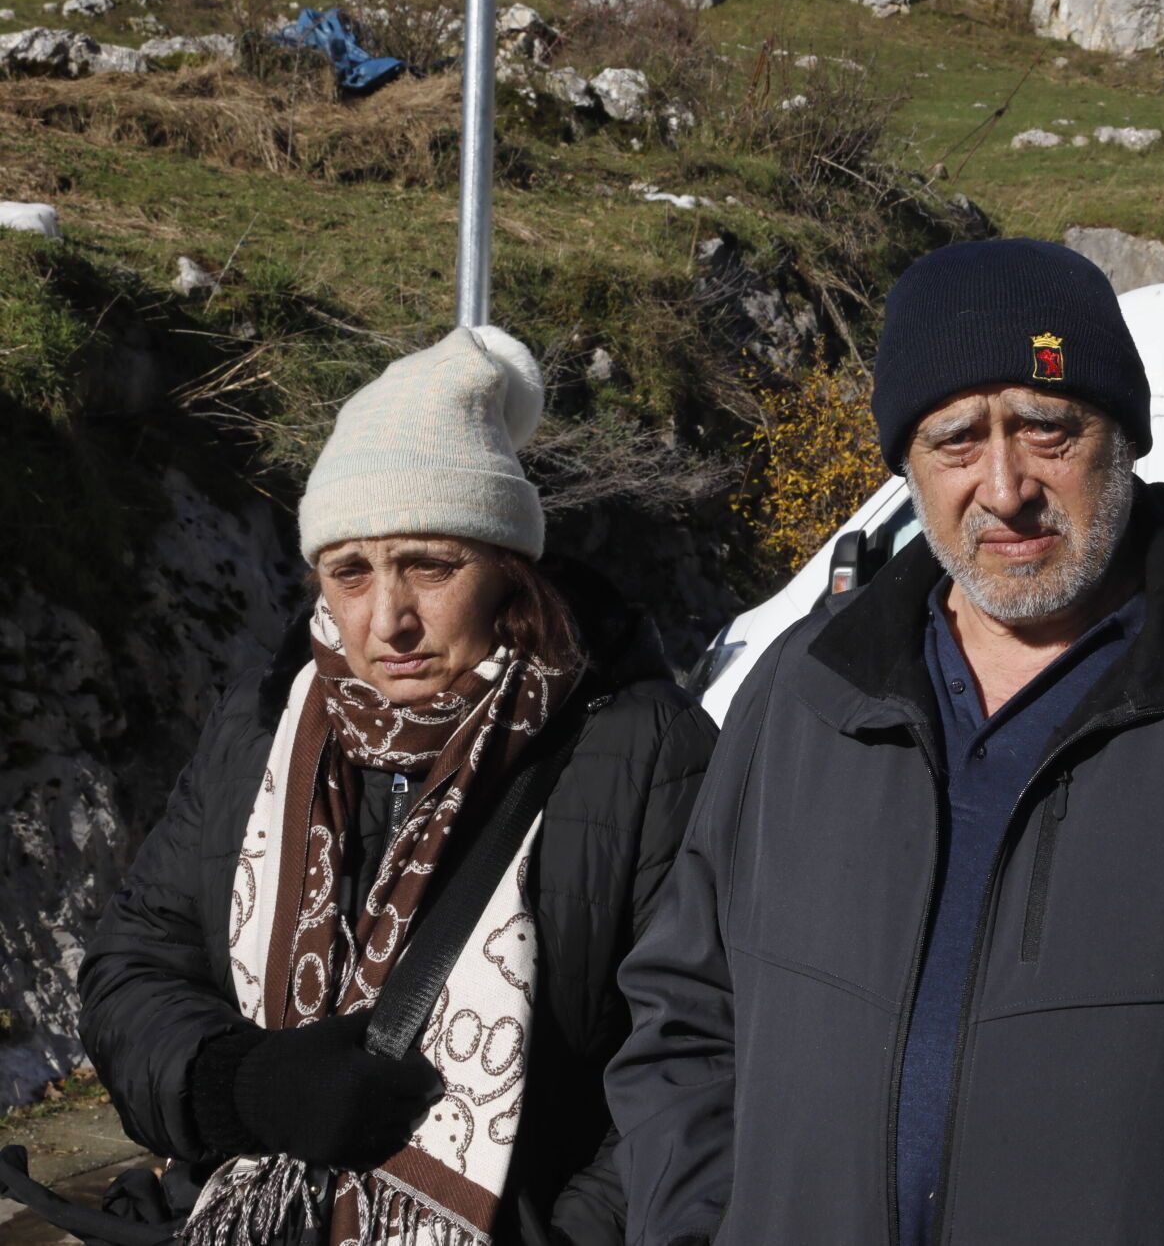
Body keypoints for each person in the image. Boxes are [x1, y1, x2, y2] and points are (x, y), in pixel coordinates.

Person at [607, 240, 1164, 1246]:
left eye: (1045, 429)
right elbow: (684, 1018)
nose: (1003, 486)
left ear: (1121, 436)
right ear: (905, 465)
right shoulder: (807, 690)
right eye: (953, 440)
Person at [80, 327, 717, 1246]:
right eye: (350, 572)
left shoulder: (646, 750)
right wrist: (242, 1083)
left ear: (507, 565)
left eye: (430, 564)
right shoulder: (260, 730)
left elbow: (702, 1058)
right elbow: (129, 966)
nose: (390, 621)